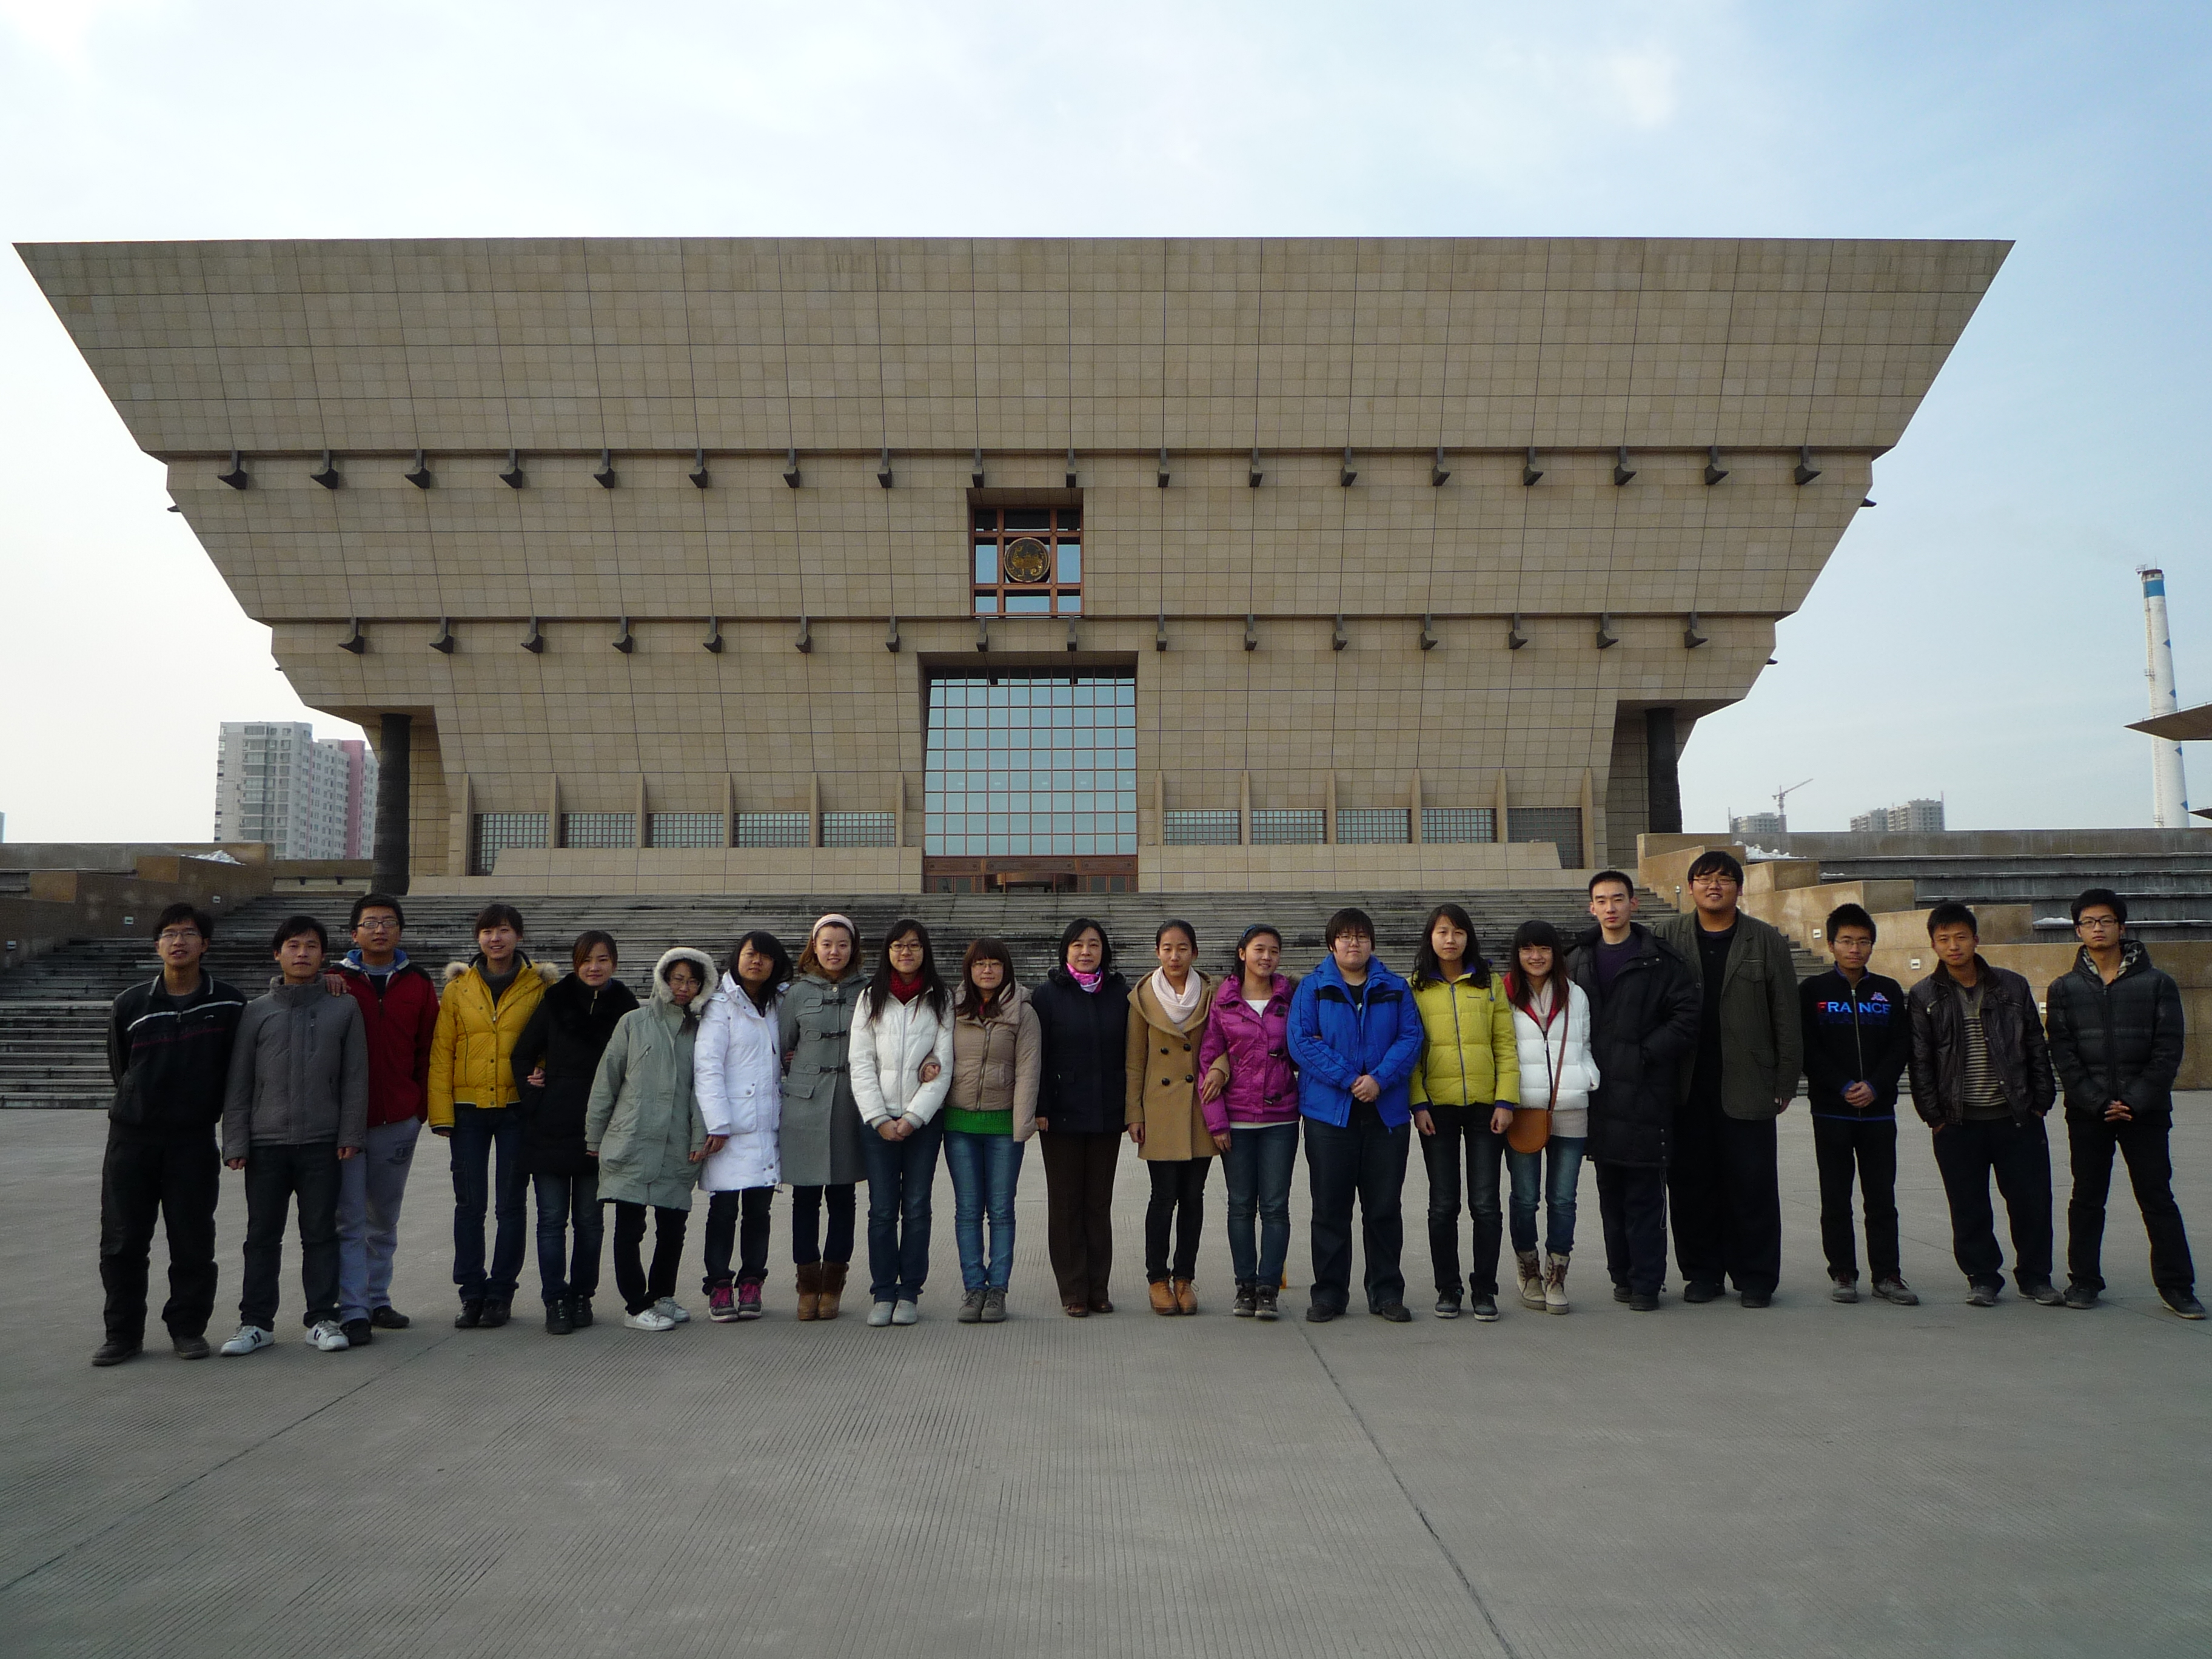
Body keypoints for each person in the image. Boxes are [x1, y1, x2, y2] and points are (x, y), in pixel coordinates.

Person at [94, 902, 245, 1366]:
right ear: (157, 945)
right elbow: (122, 1067)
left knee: (192, 1239)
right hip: (132, 1139)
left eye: (189, 933)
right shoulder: (131, 1003)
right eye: (170, 934)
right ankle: (122, 1334)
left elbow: (236, 1072)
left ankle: (187, 1328)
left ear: (206, 944)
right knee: (122, 1241)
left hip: (192, 1141)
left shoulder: (229, 1004)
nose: (179, 941)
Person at [1651, 850, 1801, 1308]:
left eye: (1723, 879)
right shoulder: (1667, 937)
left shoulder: (1765, 940)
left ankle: (1756, 1278)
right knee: (1690, 1185)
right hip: (1685, 1084)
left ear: (1739, 887)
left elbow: (1786, 1015)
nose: (1713, 886)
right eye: (1704, 879)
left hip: (1748, 1082)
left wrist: (1786, 1081)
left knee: (1752, 1186)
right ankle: (1702, 1274)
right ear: (1690, 887)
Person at [2044, 888, 2201, 1318]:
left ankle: (2176, 1286)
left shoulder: (2158, 984)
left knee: (2157, 1197)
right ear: (2077, 931)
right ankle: (2084, 1281)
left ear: (2122, 926)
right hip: (2088, 1112)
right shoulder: (2064, 988)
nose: (2098, 928)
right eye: (2089, 922)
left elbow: (2168, 1050)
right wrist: (2097, 1101)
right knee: (2087, 1198)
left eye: (2106, 921)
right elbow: (2063, 1054)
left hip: (2145, 1112)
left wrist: (2134, 1100)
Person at [217, 916, 369, 1356]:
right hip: (266, 1145)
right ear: (277, 954)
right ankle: (255, 1323)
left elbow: (355, 1077)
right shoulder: (256, 1011)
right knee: (261, 1237)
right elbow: (240, 1082)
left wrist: (350, 1133)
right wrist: (236, 1142)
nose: (302, 954)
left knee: (320, 1234)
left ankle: (322, 1318)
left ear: (324, 955)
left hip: (323, 1142)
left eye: (311, 946)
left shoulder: (344, 1008)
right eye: (293, 946)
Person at [1907, 901, 2063, 1308]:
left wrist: (2040, 1102)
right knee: (1969, 1206)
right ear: (1933, 945)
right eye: (1944, 939)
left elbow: (2035, 1045)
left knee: (2031, 1203)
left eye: (1961, 937)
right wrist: (1934, 1116)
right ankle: (1982, 1278)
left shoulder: (2012, 986)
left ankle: (2036, 1278)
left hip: (2016, 1116)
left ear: (1976, 939)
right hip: (1958, 1121)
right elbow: (1921, 1060)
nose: (1953, 946)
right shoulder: (1924, 995)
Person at [1565, 871, 1699, 1312]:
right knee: (1611, 1195)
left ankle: (1646, 1283)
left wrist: (1643, 1054)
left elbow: (1686, 1017)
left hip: (1645, 1095)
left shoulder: (1660, 959)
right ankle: (1621, 1276)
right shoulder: (1577, 960)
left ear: (1633, 904)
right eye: (1602, 900)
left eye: (1618, 899)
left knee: (1644, 1195)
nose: (1610, 908)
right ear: (1592, 907)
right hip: (1597, 1096)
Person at [1289, 907, 1426, 1324]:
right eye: (1345, 937)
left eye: (1361, 936)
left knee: (1383, 1208)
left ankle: (1386, 1292)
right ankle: (1329, 1294)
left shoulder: (1395, 988)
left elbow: (1411, 1038)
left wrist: (1379, 1080)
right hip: (1330, 1115)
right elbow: (1302, 1042)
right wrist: (1351, 1079)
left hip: (1385, 1114)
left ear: (1372, 943)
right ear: (1332, 944)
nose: (1354, 943)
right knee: (1330, 1209)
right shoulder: (1313, 988)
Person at [428, 903, 555, 1330]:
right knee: (469, 1205)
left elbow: (550, 1042)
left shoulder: (540, 986)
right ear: (478, 937)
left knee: (511, 1205)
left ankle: (500, 1293)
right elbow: (443, 1051)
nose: (495, 939)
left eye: (503, 930)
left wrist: (543, 1071)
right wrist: (441, 1113)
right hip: (468, 1111)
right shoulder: (458, 987)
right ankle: (471, 1293)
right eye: (487, 931)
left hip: (517, 1109)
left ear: (519, 936)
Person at [509, 931, 638, 1335]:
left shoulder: (626, 1007)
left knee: (589, 1220)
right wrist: (534, 1093)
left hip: (601, 1127)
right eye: (586, 960)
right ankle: (555, 1299)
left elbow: (639, 1063)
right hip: (552, 1123)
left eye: (602, 959)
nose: (593, 967)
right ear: (575, 963)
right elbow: (521, 1053)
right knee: (551, 1219)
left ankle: (582, 1295)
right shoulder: (556, 999)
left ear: (614, 963)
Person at [329, 893, 441, 1346]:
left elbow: (429, 1048)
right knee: (348, 1218)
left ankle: (378, 1298)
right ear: (353, 932)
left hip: (398, 1119)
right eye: (371, 922)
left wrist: (419, 1110)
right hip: (345, 1123)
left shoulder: (417, 982)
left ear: (400, 930)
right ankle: (352, 1306)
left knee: (384, 1218)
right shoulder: (334, 981)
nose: (380, 930)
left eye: (389, 922)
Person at [586, 947, 717, 1330]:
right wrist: (594, 1135)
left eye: (693, 981)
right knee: (630, 1226)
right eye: (677, 979)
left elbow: (703, 1090)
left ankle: (662, 1295)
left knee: (673, 1227)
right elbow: (607, 1080)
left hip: (677, 1141)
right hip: (632, 1138)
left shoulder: (703, 1030)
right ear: (663, 979)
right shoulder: (634, 1022)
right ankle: (636, 1305)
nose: (684, 987)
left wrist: (698, 1137)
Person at [1798, 903, 1916, 1306]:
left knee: (1882, 1198)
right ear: (1831, 944)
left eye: (1863, 942)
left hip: (1878, 1113)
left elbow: (1900, 1045)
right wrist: (1844, 1085)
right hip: (1831, 1111)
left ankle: (1888, 1275)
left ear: (1872, 946)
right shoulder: (1813, 992)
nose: (1855, 949)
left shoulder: (1888, 991)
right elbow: (1808, 1047)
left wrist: (1876, 1085)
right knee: (1835, 1197)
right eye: (1846, 941)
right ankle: (1843, 1272)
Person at [1407, 903, 1520, 1321]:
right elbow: (1411, 1051)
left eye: (1457, 932)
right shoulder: (1415, 988)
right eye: (1442, 932)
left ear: (1468, 937)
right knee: (1443, 1204)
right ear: (1430, 938)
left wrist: (1506, 1100)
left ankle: (1485, 1289)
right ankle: (1448, 1287)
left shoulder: (1490, 984)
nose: (1450, 940)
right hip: (1437, 1109)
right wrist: (1418, 1103)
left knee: (1486, 1204)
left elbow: (1505, 1044)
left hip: (1485, 1108)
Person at [848, 917, 955, 1326]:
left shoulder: (940, 998)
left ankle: (909, 1291)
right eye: (898, 946)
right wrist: (879, 1118)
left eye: (913, 945)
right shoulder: (870, 997)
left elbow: (943, 1064)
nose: (905, 952)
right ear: (887, 952)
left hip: (922, 1123)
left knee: (916, 1207)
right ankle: (882, 1292)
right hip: (877, 1122)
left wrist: (912, 1118)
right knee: (881, 1209)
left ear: (925, 951)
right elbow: (861, 1062)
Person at [1197, 924, 1299, 1320]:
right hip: (1236, 1120)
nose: (1266, 957)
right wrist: (1217, 1122)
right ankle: (1245, 1287)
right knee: (1240, 1206)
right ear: (1242, 953)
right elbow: (1209, 1059)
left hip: (1280, 1119)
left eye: (1273, 950)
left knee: (1275, 1206)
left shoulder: (1290, 999)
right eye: (1259, 949)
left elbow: (1302, 1048)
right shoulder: (1223, 1001)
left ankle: (1268, 1288)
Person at [1031, 918, 1131, 1318]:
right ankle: (1073, 1289)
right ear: (1066, 951)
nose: (1086, 951)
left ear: (1104, 950)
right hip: (1060, 1115)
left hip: (1107, 1112)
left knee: (1098, 1203)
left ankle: (1098, 1288)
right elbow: (1036, 1054)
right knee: (1066, 1203)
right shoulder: (1048, 995)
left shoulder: (1120, 993)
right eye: (1077, 945)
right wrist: (1041, 1107)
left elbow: (1132, 1053)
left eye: (1093, 944)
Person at [1501, 919, 1598, 1315]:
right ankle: (1528, 1268)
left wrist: (1588, 1075)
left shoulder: (1575, 994)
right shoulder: (1504, 993)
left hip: (1570, 1108)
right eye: (1527, 949)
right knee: (1525, 1198)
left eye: (1543, 949)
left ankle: (1557, 1272)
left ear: (1556, 954)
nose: (1536, 956)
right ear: (1517, 954)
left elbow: (1585, 1044)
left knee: (1563, 1199)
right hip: (1524, 1109)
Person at [778, 914, 871, 1321]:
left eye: (843, 944)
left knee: (843, 1197)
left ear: (854, 949)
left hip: (851, 1103)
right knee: (804, 1198)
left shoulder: (868, 991)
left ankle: (833, 1285)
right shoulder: (797, 994)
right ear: (814, 947)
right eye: (827, 944)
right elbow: (782, 1045)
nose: (835, 951)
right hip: (804, 1105)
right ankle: (807, 1286)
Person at [695, 930, 791, 1323]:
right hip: (730, 1127)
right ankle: (719, 1284)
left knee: (758, 1211)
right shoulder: (720, 1005)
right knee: (722, 1210)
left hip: (767, 1123)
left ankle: (752, 1281)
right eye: (751, 954)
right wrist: (718, 1123)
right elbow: (708, 1066)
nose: (757, 962)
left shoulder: (780, 1004)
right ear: (737, 958)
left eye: (765, 956)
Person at [1127, 919, 1221, 1315]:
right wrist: (1134, 1112)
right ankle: (1157, 1279)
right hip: (1160, 1108)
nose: (1175, 956)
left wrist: (1221, 1070)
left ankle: (1184, 1278)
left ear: (1194, 952)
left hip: (1201, 1106)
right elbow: (1135, 1061)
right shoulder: (1142, 998)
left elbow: (1225, 1043)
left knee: (1194, 1197)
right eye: (1167, 948)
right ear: (1157, 952)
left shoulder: (1214, 994)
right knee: (1163, 1197)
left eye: (1182, 948)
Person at [945, 937, 1041, 1323]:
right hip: (959, 1125)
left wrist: (1022, 1124)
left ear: (1006, 969)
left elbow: (1029, 1070)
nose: (987, 971)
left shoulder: (1023, 1012)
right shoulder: (950, 1008)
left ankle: (997, 1288)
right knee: (968, 1210)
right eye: (979, 964)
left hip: (1003, 1126)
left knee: (1001, 1210)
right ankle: (974, 1288)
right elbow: (935, 1051)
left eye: (995, 964)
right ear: (969, 970)